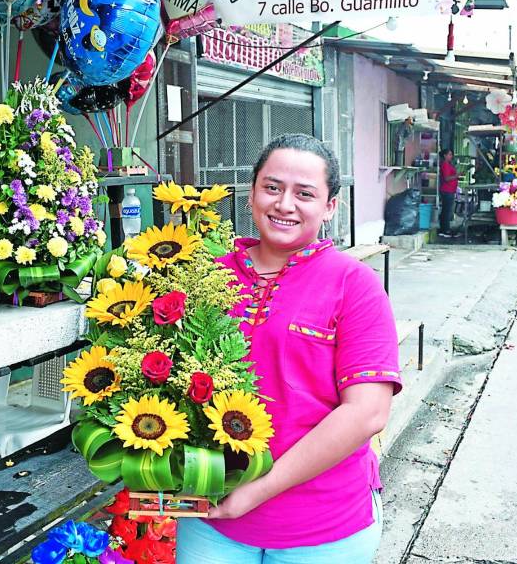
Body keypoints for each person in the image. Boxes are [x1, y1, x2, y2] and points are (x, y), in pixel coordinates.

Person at [176, 134, 401, 564]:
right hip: (211, 521)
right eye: (272, 187)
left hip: (322, 526)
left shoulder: (354, 285)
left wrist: (256, 491)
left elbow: (367, 412)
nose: (284, 204)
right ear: (252, 193)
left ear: (330, 206)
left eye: (305, 194)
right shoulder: (207, 276)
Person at [438, 148, 461, 238]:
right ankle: (444, 230)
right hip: (447, 190)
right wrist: (456, 176)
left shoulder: (448, 164)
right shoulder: (445, 165)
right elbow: (447, 178)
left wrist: (456, 177)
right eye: (449, 154)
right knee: (446, 211)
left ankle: (445, 229)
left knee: (447, 210)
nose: (451, 156)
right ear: (445, 155)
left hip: (450, 190)